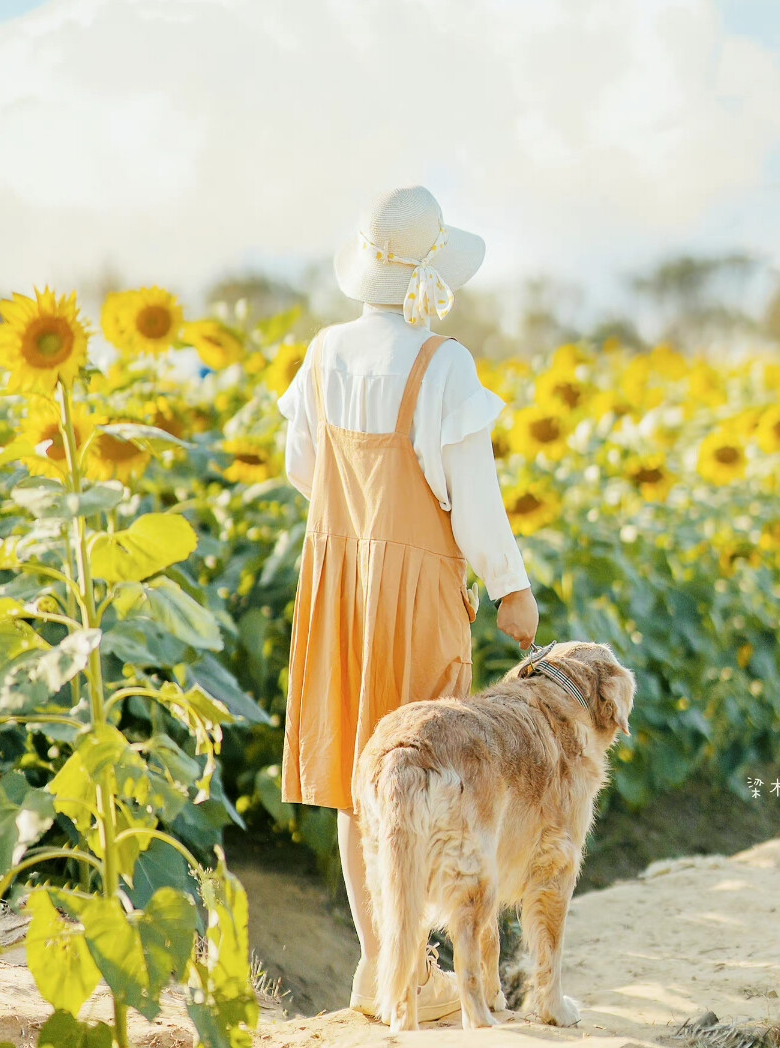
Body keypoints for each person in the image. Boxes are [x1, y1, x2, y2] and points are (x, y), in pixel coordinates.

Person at [277, 185, 539, 1022]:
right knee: (428, 777)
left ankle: (378, 966)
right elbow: (476, 496)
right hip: (418, 586)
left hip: (335, 585)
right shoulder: (442, 364)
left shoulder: (322, 352)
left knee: (365, 781)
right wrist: (511, 588)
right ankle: (416, 974)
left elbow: (301, 468)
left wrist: (353, 533)